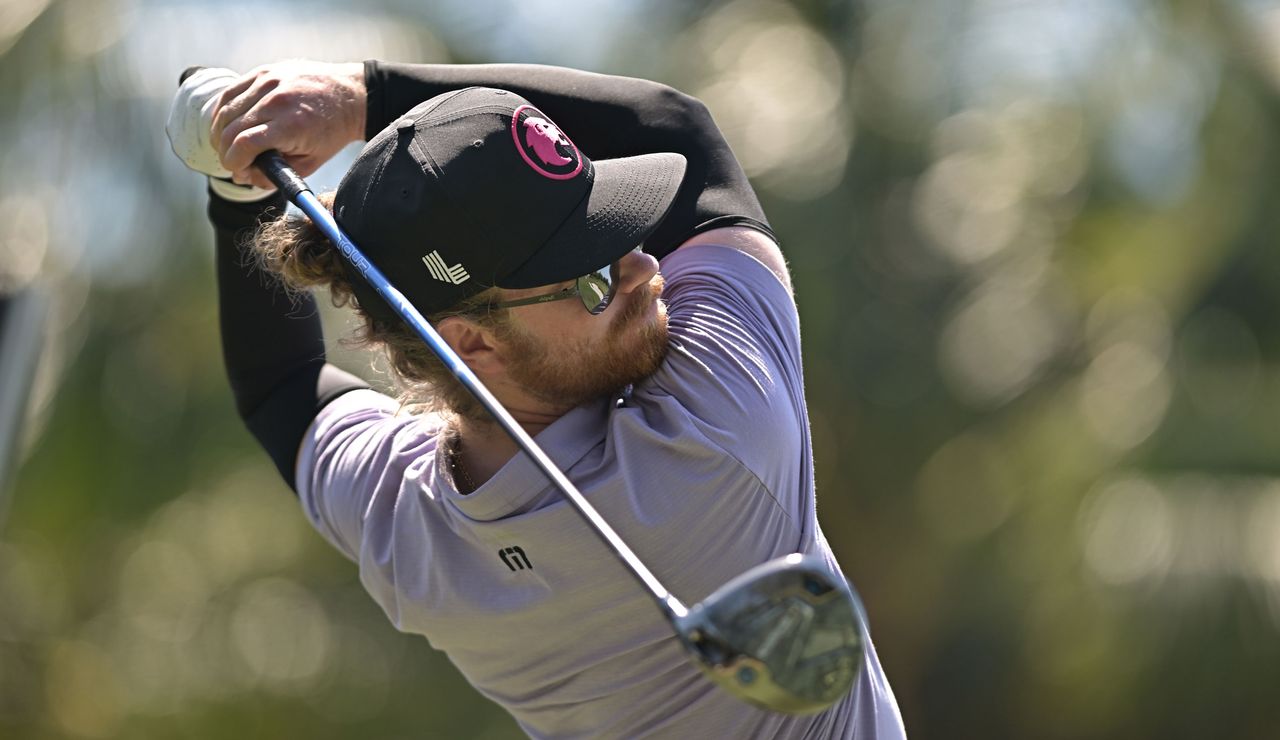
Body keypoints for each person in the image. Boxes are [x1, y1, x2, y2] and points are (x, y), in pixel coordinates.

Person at [168, 60, 906, 739]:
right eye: (590, 280)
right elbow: (677, 125)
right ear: (472, 342)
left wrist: (239, 194)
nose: (645, 269)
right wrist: (361, 100)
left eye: (623, 231)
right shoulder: (719, 431)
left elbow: (282, 387)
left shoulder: (409, 527)